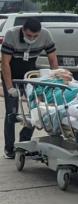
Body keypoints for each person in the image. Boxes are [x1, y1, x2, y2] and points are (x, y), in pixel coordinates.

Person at [1, 18, 58, 159]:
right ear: (23, 30)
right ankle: (9, 148)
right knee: (11, 112)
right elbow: (5, 63)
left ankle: (24, 140)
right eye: (29, 35)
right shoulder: (11, 34)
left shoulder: (45, 34)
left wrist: (56, 79)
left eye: (35, 36)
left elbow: (53, 59)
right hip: (12, 74)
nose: (32, 38)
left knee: (36, 109)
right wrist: (9, 88)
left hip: (30, 74)